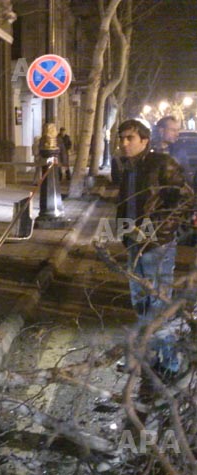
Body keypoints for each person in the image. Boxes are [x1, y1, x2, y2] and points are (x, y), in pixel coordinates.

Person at [115, 119, 192, 378]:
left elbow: (184, 201)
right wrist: (124, 231)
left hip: (156, 245)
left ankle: (170, 362)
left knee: (158, 305)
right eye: (122, 138)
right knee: (142, 303)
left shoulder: (161, 164)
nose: (124, 143)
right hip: (134, 243)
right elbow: (128, 204)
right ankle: (151, 356)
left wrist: (156, 229)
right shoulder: (129, 167)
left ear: (145, 140)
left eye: (130, 138)